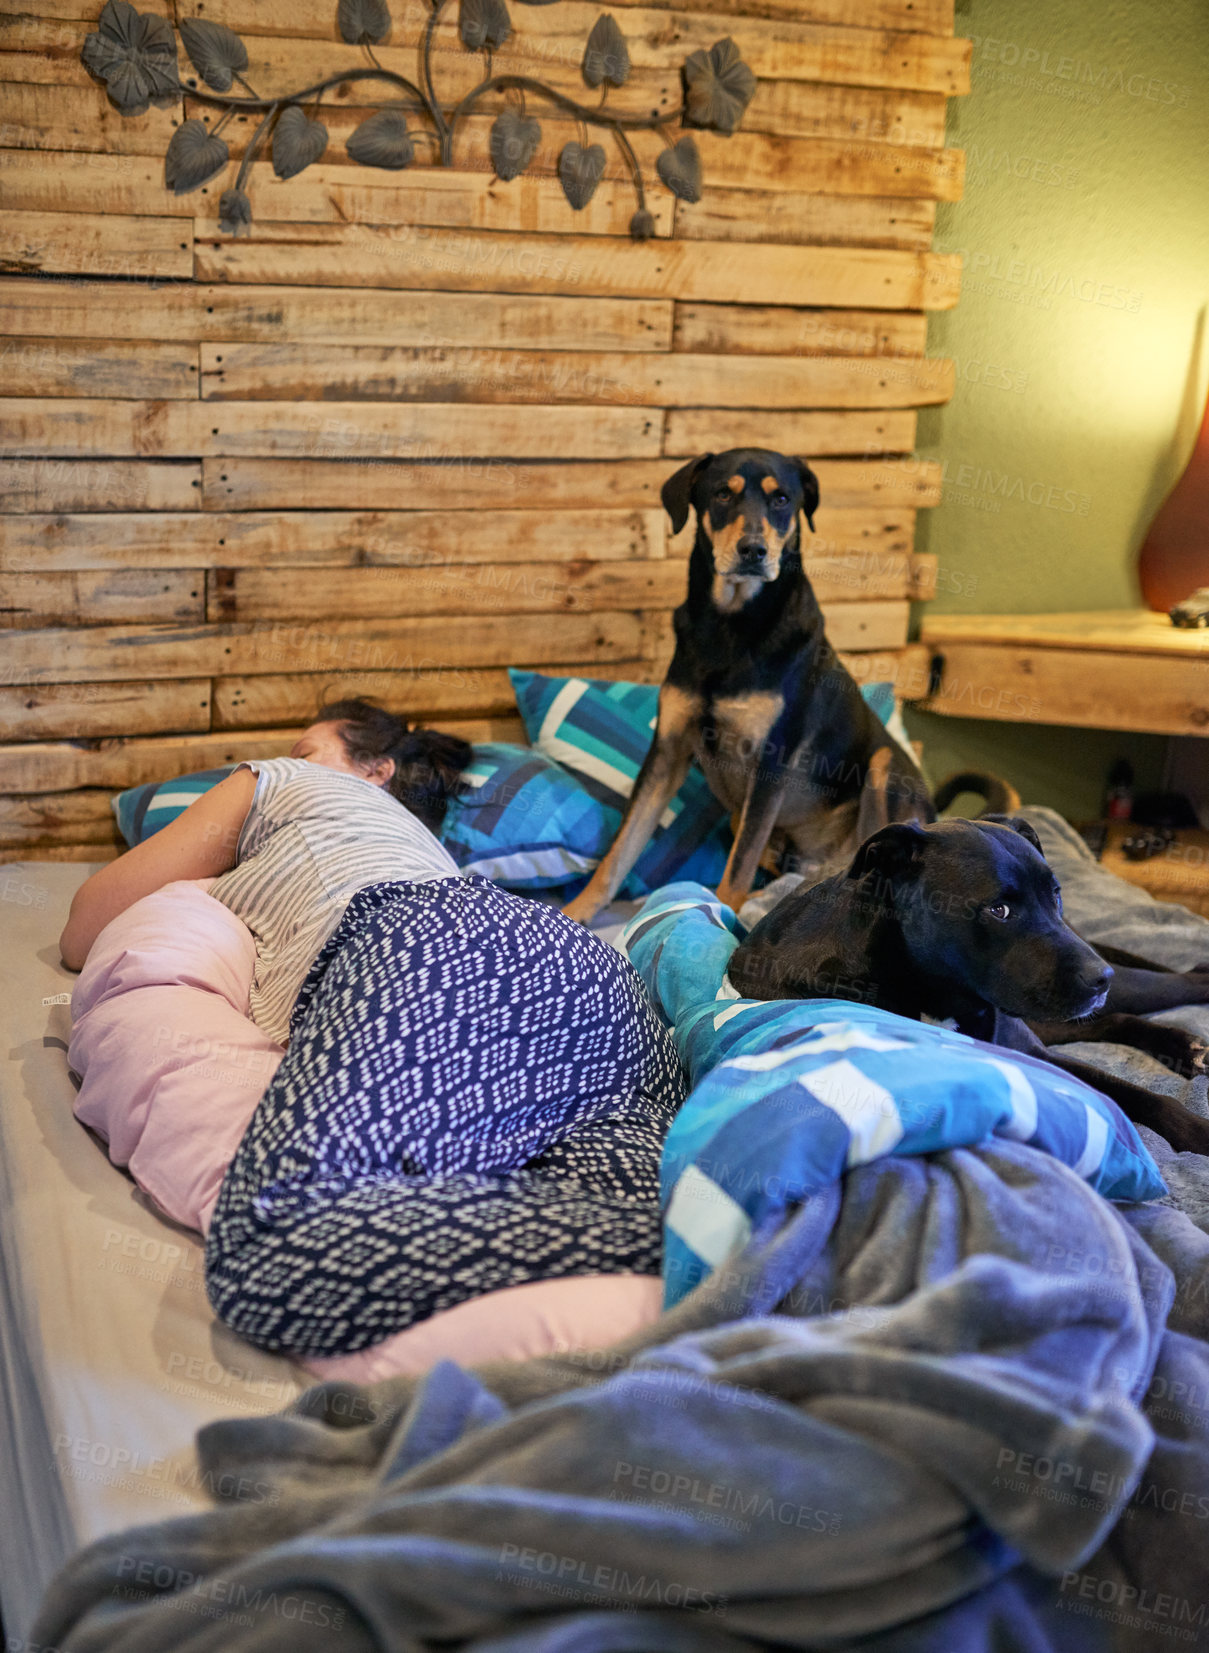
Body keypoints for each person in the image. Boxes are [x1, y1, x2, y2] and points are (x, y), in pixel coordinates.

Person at [60, 700, 685, 1360]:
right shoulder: (432, 855)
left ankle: (704, 1250)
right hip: (602, 986)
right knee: (676, 1225)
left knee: (274, 1248)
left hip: (439, 949)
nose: (289, 757)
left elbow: (84, 928)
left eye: (305, 747)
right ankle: (724, 1248)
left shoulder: (279, 781)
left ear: (376, 769)